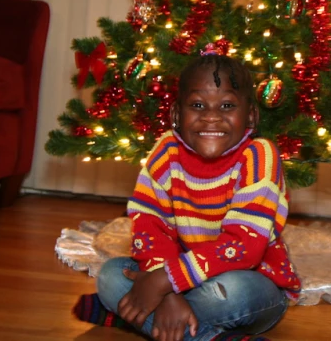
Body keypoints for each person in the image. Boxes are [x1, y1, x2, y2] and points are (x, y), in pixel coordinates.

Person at [93, 51, 301, 341]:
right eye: (198, 105)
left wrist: (164, 282)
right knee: (110, 276)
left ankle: (136, 315)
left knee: (230, 294)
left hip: (252, 284)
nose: (212, 117)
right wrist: (166, 294)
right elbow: (150, 228)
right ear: (176, 115)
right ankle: (205, 335)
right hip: (181, 279)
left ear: (251, 115)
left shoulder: (259, 157)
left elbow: (245, 246)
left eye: (227, 105)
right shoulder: (165, 153)